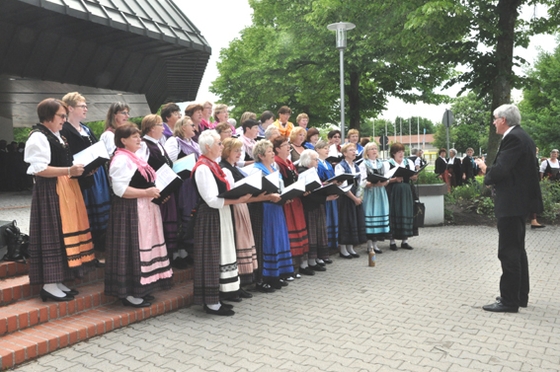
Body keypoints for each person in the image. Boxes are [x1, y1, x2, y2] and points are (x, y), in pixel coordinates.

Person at [25, 98, 95, 302]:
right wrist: (68, 170)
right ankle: (48, 284)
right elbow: (39, 169)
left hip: (64, 187)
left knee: (62, 232)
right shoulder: (38, 137)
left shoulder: (55, 135)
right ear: (48, 116)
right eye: (61, 116)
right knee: (53, 232)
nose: (64, 119)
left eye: (65, 116)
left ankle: (56, 280)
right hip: (50, 190)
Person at [475, 104, 542, 313]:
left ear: (503, 119)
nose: (493, 122)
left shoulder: (513, 138)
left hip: (512, 203)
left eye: (495, 119)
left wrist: (486, 171)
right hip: (519, 203)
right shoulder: (524, 137)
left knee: (509, 251)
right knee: (518, 250)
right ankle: (520, 295)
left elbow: (502, 170)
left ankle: (509, 300)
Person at [105, 123, 173, 308]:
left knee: (144, 246)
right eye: (134, 137)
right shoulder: (121, 159)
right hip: (130, 211)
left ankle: (140, 289)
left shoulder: (135, 157)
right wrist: (147, 193)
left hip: (144, 207)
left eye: (138, 135)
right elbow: (120, 190)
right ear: (123, 140)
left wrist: (158, 192)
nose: (138, 139)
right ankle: (128, 292)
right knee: (132, 249)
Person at [192, 130, 252, 316]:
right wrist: (238, 200)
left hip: (221, 214)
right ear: (208, 147)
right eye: (219, 143)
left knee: (221, 255)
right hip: (210, 216)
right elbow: (211, 200)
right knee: (211, 256)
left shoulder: (214, 165)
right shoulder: (203, 167)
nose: (221, 146)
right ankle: (210, 302)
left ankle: (218, 297)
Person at [220, 138, 277, 296]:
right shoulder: (225, 168)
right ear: (227, 152)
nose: (239, 154)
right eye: (236, 151)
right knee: (239, 247)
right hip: (236, 209)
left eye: (240, 151)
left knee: (245, 247)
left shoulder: (233, 168)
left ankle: (242, 284)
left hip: (244, 208)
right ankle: (238, 285)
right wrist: (262, 197)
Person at [60, 92, 111, 263]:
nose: (86, 108)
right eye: (82, 105)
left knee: (100, 213)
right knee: (86, 214)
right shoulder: (65, 130)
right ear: (70, 108)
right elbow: (68, 156)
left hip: (96, 175)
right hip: (81, 177)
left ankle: (98, 247)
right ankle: (88, 252)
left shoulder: (86, 128)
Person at [252, 140, 294, 289]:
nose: (272, 154)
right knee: (268, 240)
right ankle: (266, 277)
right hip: (265, 208)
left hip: (276, 207)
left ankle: (277, 274)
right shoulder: (256, 169)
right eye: (269, 151)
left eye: (272, 151)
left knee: (278, 239)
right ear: (261, 155)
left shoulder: (274, 167)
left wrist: (286, 196)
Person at [140, 114, 179, 266]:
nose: (163, 128)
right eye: (160, 125)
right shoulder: (145, 145)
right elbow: (144, 169)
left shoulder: (158, 144)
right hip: (158, 191)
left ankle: (170, 256)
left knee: (170, 223)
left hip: (167, 188)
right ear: (151, 128)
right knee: (161, 224)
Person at [164, 116, 201, 268]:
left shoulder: (194, 144)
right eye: (191, 125)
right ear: (183, 127)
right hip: (181, 184)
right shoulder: (174, 141)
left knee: (190, 215)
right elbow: (169, 161)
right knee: (181, 215)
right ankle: (176, 253)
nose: (195, 127)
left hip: (192, 184)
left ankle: (184, 252)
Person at [273, 136, 310, 277]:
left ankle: (301, 264)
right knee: (291, 231)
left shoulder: (288, 162)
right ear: (277, 149)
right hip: (288, 203)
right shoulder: (277, 163)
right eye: (284, 145)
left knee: (299, 230)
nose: (288, 147)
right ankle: (292, 267)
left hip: (296, 201)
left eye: (288, 144)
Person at [298, 149, 336, 268]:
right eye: (315, 159)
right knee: (312, 233)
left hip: (317, 206)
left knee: (319, 232)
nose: (317, 162)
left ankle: (318, 258)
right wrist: (326, 198)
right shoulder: (303, 172)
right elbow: (309, 194)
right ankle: (310, 261)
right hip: (309, 207)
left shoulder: (311, 171)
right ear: (308, 160)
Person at [335, 143, 367, 258]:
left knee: (354, 220)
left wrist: (360, 196)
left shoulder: (356, 166)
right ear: (344, 153)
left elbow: (361, 182)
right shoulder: (340, 166)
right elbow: (342, 185)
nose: (354, 152)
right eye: (351, 150)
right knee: (346, 220)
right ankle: (343, 248)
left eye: (354, 150)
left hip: (355, 194)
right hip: (346, 196)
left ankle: (351, 247)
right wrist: (354, 198)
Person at [384, 142, 418, 251]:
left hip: (406, 191)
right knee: (394, 212)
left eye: (402, 151)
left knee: (406, 212)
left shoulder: (408, 162)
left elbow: (413, 176)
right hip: (393, 191)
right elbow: (384, 180)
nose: (401, 154)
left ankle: (405, 240)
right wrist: (394, 180)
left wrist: (414, 177)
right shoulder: (387, 163)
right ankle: (392, 241)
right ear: (393, 153)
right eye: (399, 152)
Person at [360, 142, 390, 254]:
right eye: (371, 149)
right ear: (367, 152)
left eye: (375, 149)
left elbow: (387, 178)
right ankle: (369, 245)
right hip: (370, 192)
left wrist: (384, 183)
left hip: (380, 192)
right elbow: (362, 181)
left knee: (379, 214)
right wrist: (371, 183)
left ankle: (375, 244)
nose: (374, 151)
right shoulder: (363, 164)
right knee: (370, 215)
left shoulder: (382, 163)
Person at [315, 140, 338, 259]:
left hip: (331, 194)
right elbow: (318, 182)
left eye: (328, 148)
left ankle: (330, 248)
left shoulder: (328, 164)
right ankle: (323, 249)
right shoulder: (317, 164)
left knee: (332, 220)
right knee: (325, 221)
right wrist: (329, 182)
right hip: (324, 195)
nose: (327, 150)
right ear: (317, 150)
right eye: (324, 148)